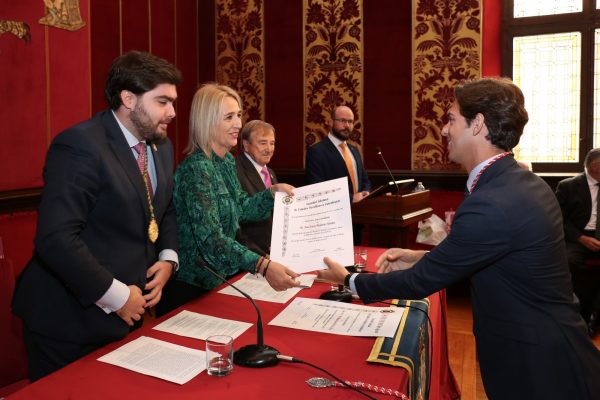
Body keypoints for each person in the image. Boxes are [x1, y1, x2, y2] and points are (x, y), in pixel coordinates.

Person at [318, 77, 600, 399]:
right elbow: (491, 255)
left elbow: (421, 283)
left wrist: (351, 281)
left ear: (477, 124)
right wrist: (418, 255)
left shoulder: (493, 200)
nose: (443, 129)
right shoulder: (520, 182)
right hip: (551, 346)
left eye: (451, 119)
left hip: (537, 365)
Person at [12, 50, 181, 381]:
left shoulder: (161, 145)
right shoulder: (80, 145)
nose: (172, 112)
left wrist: (168, 258)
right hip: (68, 321)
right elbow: (56, 239)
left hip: (124, 319)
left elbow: (165, 207)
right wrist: (118, 297)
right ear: (129, 98)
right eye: (163, 101)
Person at [159, 83, 300, 315]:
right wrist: (262, 266)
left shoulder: (225, 162)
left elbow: (241, 208)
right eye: (228, 117)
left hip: (217, 282)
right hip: (191, 290)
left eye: (238, 115)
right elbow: (212, 239)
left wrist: (271, 193)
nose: (238, 124)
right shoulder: (197, 169)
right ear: (208, 121)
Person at [305, 105, 371, 244]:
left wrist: (366, 192)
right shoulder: (316, 152)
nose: (347, 125)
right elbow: (317, 189)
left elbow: (364, 179)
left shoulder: (354, 150)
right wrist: (351, 198)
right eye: (342, 120)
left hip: (358, 219)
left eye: (350, 122)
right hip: (332, 223)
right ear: (330, 122)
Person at [555, 148, 600, 336]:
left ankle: (596, 317)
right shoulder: (569, 186)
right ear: (595, 166)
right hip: (577, 237)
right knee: (570, 262)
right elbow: (558, 218)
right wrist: (581, 238)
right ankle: (581, 315)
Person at [235, 120, 278, 255]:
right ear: (246, 145)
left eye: (272, 143)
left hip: (272, 252)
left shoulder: (270, 172)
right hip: (251, 256)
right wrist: (257, 255)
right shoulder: (234, 169)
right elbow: (236, 222)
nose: (269, 149)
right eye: (263, 143)